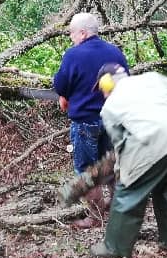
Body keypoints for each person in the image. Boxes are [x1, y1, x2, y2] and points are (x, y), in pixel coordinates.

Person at [89, 63, 167, 258]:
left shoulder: (110, 107)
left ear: (107, 84)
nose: (102, 94)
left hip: (152, 146)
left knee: (127, 195)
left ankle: (114, 248)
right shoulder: (153, 78)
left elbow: (120, 145)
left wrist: (122, 173)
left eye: (101, 89)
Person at [53, 12, 128, 228]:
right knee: (112, 167)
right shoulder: (115, 52)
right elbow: (125, 82)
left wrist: (65, 96)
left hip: (85, 121)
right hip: (113, 120)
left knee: (87, 170)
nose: (71, 38)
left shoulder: (73, 55)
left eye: (72, 33)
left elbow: (61, 85)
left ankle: (95, 218)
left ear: (83, 33)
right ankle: (117, 213)